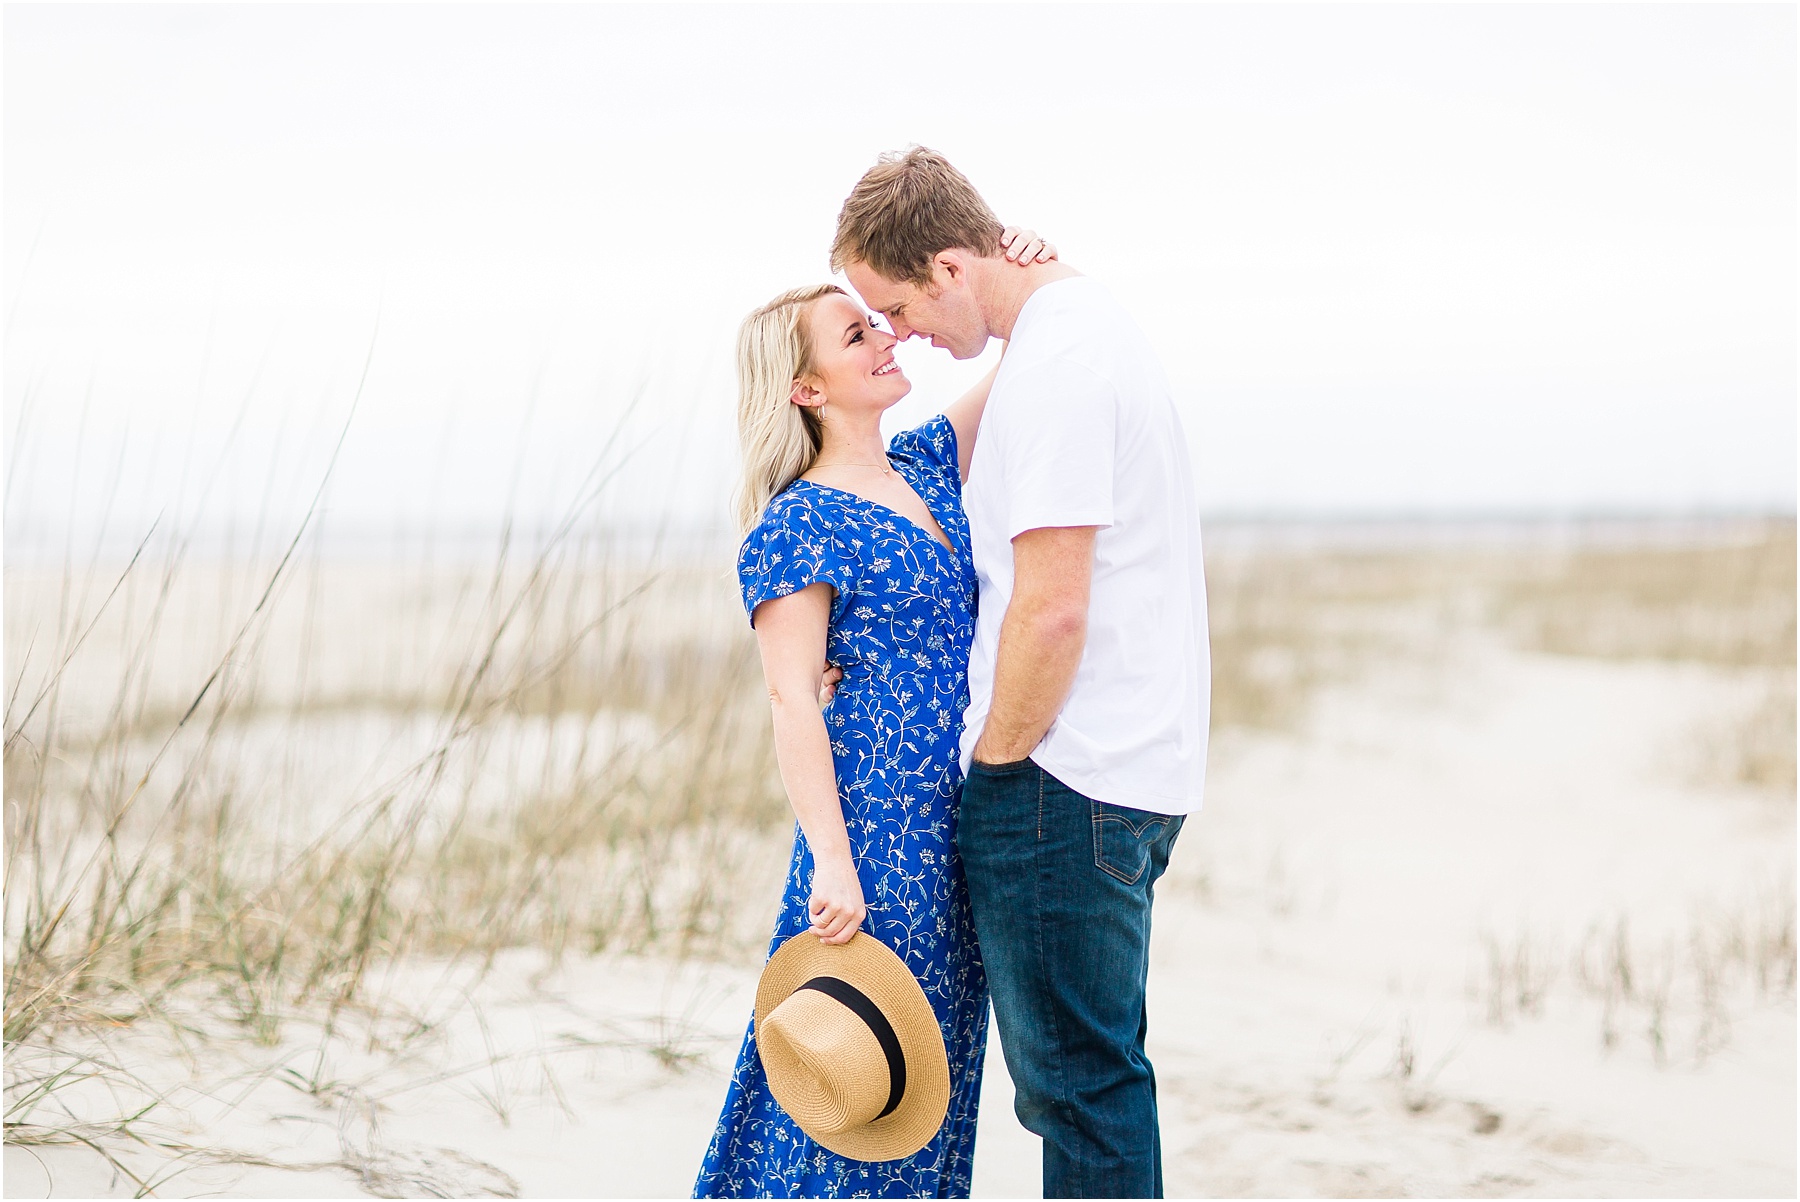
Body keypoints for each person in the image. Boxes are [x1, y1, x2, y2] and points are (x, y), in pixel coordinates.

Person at [830, 147, 1210, 1199]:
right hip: (1113, 772)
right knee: (1094, 1079)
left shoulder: (1056, 370)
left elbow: (1053, 606)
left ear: (953, 267)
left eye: (898, 304)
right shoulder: (1071, 332)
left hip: (1060, 778)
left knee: (1081, 1091)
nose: (898, 330)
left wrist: (997, 767)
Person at [694, 230, 1056, 1199]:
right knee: (849, 1048)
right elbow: (790, 700)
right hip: (877, 826)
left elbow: (1030, 345)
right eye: (857, 336)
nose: (885, 341)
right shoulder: (798, 522)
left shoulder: (930, 466)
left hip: (963, 815)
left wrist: (1023, 259)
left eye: (876, 325)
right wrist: (834, 857)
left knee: (927, 1062)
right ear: (806, 389)